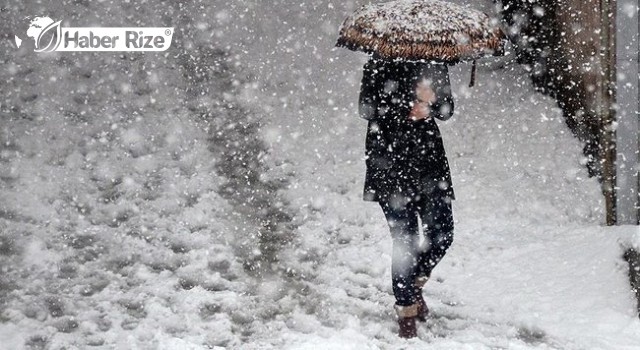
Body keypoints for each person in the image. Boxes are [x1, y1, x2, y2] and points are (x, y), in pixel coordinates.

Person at [358, 54, 455, 338]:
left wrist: (432, 103)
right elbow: (367, 108)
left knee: (442, 233)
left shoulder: (434, 62)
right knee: (406, 241)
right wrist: (408, 105)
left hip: (429, 164)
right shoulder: (378, 63)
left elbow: (447, 109)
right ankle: (406, 312)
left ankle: (412, 285)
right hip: (389, 163)